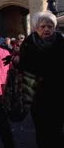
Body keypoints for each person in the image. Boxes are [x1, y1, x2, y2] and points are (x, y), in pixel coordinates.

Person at [17, 11, 64, 147]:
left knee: (57, 130)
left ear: (54, 28)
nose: (46, 29)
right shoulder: (28, 43)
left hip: (58, 94)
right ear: (36, 28)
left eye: (50, 26)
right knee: (41, 129)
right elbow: (24, 68)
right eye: (43, 26)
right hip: (36, 95)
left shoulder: (61, 42)